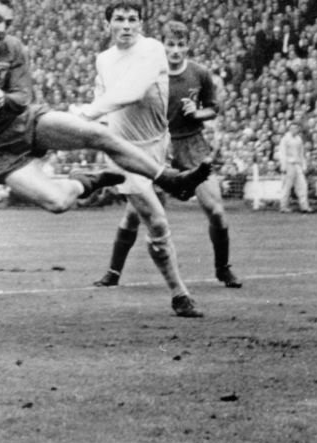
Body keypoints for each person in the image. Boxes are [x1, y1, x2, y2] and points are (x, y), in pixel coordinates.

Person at [0, 0, 212, 215]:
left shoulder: (13, 48)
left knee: (99, 134)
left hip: (25, 122)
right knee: (57, 202)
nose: (1, 29)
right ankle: (89, 180)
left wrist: (4, 98)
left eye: (7, 23)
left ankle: (171, 179)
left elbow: (23, 97)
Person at [78, 0, 204, 317]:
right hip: (124, 151)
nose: (126, 25)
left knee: (136, 214)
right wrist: (99, 131)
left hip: (157, 144)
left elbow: (131, 92)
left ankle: (113, 272)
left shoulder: (152, 50)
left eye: (133, 19)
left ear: (141, 24)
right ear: (107, 24)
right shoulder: (103, 60)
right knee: (156, 219)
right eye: (119, 19)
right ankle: (180, 294)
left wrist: (87, 113)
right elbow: (103, 95)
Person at [93, 20, 241, 289]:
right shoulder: (148, 72)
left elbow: (214, 108)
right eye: (170, 44)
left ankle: (223, 268)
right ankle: (113, 273)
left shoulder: (200, 73)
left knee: (216, 211)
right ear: (161, 46)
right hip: (157, 146)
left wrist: (197, 113)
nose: (175, 50)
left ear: (188, 47)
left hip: (191, 145)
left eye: (180, 45)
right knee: (134, 214)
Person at [277, 120, 313, 213]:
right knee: (287, 187)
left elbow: (301, 154)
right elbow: (282, 154)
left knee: (303, 186)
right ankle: (283, 206)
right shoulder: (285, 139)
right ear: (289, 128)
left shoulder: (299, 139)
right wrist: (283, 166)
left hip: (297, 165)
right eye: (292, 128)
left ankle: (304, 207)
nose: (294, 129)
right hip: (289, 165)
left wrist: (304, 166)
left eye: (296, 128)